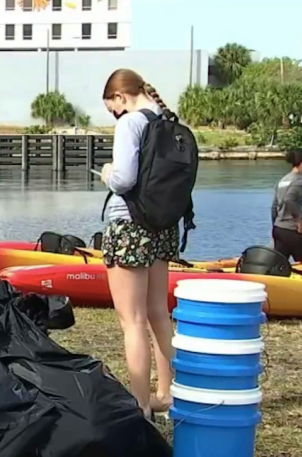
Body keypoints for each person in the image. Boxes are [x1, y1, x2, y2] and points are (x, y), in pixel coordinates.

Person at [99, 68, 197, 421]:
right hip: (163, 225)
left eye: (112, 107)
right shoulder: (168, 120)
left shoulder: (130, 124)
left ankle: (140, 405)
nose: (115, 114)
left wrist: (106, 171)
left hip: (129, 225)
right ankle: (167, 392)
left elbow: (124, 179)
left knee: (132, 320)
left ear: (120, 97)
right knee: (157, 312)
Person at [271, 149, 302, 262]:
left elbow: (274, 206)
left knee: (279, 265)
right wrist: (299, 221)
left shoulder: (283, 180)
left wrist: (274, 225)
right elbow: (289, 200)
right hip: (292, 229)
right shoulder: (299, 180)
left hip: (279, 228)